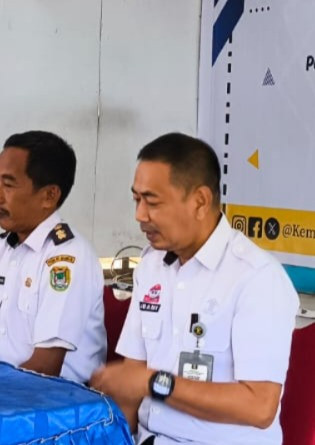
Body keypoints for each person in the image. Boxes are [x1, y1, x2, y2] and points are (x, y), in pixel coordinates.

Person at [89, 133, 298, 444]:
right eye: (136, 199)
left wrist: (156, 382)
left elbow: (259, 406)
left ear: (200, 201)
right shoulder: (152, 265)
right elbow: (132, 377)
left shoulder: (257, 278)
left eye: (152, 202)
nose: (139, 215)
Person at [0, 130, 106, 383]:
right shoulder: (2, 250)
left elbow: (45, 367)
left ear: (49, 195)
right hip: (12, 388)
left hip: (62, 399)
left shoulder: (68, 258)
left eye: (8, 185)